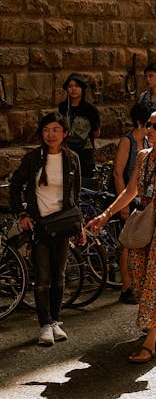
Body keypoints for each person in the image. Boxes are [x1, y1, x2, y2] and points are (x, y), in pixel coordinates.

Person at [87, 109, 156, 363]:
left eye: (155, 126)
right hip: (145, 217)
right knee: (139, 272)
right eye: (148, 125)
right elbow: (130, 191)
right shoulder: (144, 156)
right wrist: (106, 215)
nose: (149, 130)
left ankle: (150, 339)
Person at [9, 113, 85, 346]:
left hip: (62, 224)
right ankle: (44, 324)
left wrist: (78, 226)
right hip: (40, 225)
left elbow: (75, 195)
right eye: (46, 130)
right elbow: (15, 186)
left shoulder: (72, 159)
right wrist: (22, 214)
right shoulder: (33, 158)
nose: (50, 135)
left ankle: (55, 321)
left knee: (59, 276)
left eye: (55, 129)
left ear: (65, 133)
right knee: (42, 277)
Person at [113, 102, 153, 304]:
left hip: (143, 200)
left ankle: (138, 284)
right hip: (129, 198)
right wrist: (123, 205)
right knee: (127, 243)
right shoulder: (127, 142)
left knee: (139, 242)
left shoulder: (148, 142)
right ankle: (126, 286)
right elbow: (118, 173)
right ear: (140, 122)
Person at [58, 73, 100, 185]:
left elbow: (96, 132)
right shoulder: (62, 107)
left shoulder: (90, 109)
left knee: (84, 184)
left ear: (82, 88)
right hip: (66, 151)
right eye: (70, 86)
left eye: (76, 86)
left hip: (84, 153)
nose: (73, 89)